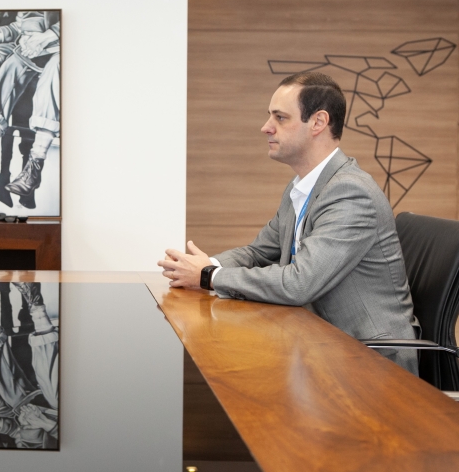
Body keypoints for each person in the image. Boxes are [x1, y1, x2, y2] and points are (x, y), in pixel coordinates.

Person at [158, 72, 420, 375]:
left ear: (318, 123)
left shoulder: (351, 193)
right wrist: (203, 265)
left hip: (370, 360)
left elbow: (299, 283)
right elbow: (258, 252)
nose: (266, 127)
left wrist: (209, 276)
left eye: (280, 118)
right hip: (321, 344)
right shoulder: (303, 187)